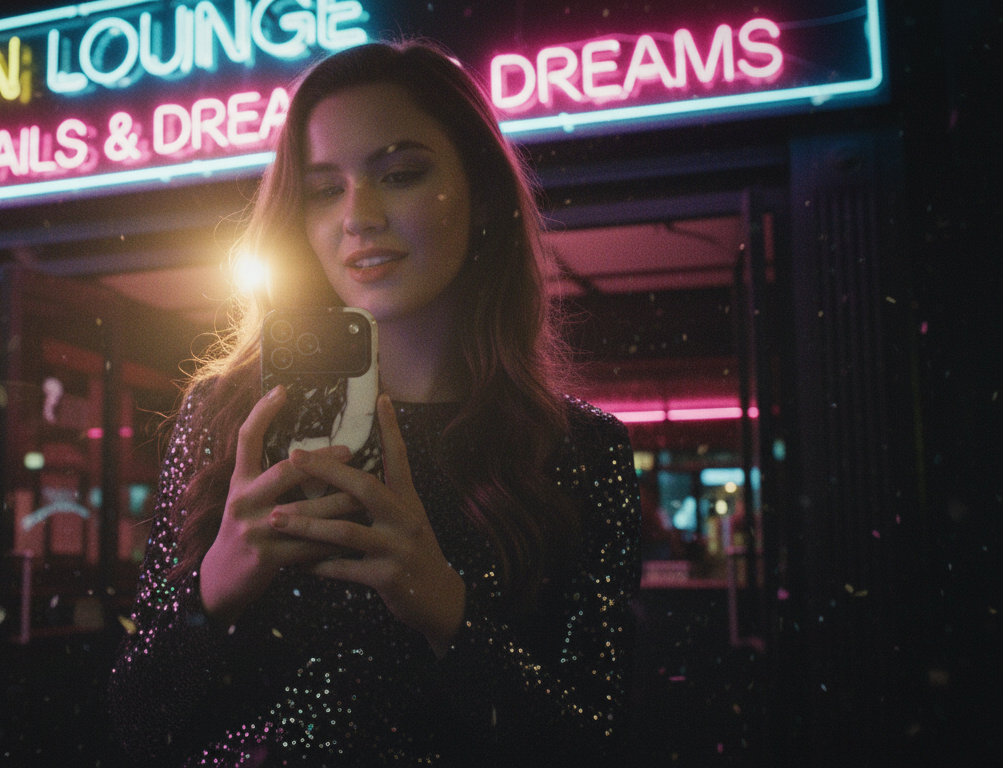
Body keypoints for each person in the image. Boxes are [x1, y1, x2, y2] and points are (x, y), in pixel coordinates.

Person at [107, 41, 641, 766]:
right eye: (325, 189)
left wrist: (446, 610)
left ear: (481, 194)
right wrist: (215, 590)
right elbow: (130, 727)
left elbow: (596, 743)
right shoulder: (228, 420)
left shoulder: (576, 449)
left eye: (399, 173)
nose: (359, 215)